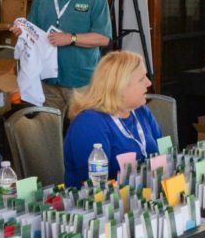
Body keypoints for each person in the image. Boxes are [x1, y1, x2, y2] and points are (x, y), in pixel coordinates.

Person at [11, 0, 111, 117]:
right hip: (47, 82)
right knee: (48, 130)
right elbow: (33, 31)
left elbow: (103, 38)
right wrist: (22, 32)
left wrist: (71, 38)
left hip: (81, 83)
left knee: (82, 130)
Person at [62, 50, 163, 187]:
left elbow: (163, 154)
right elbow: (93, 185)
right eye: (141, 79)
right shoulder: (90, 123)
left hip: (147, 194)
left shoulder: (141, 111)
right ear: (119, 86)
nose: (149, 83)